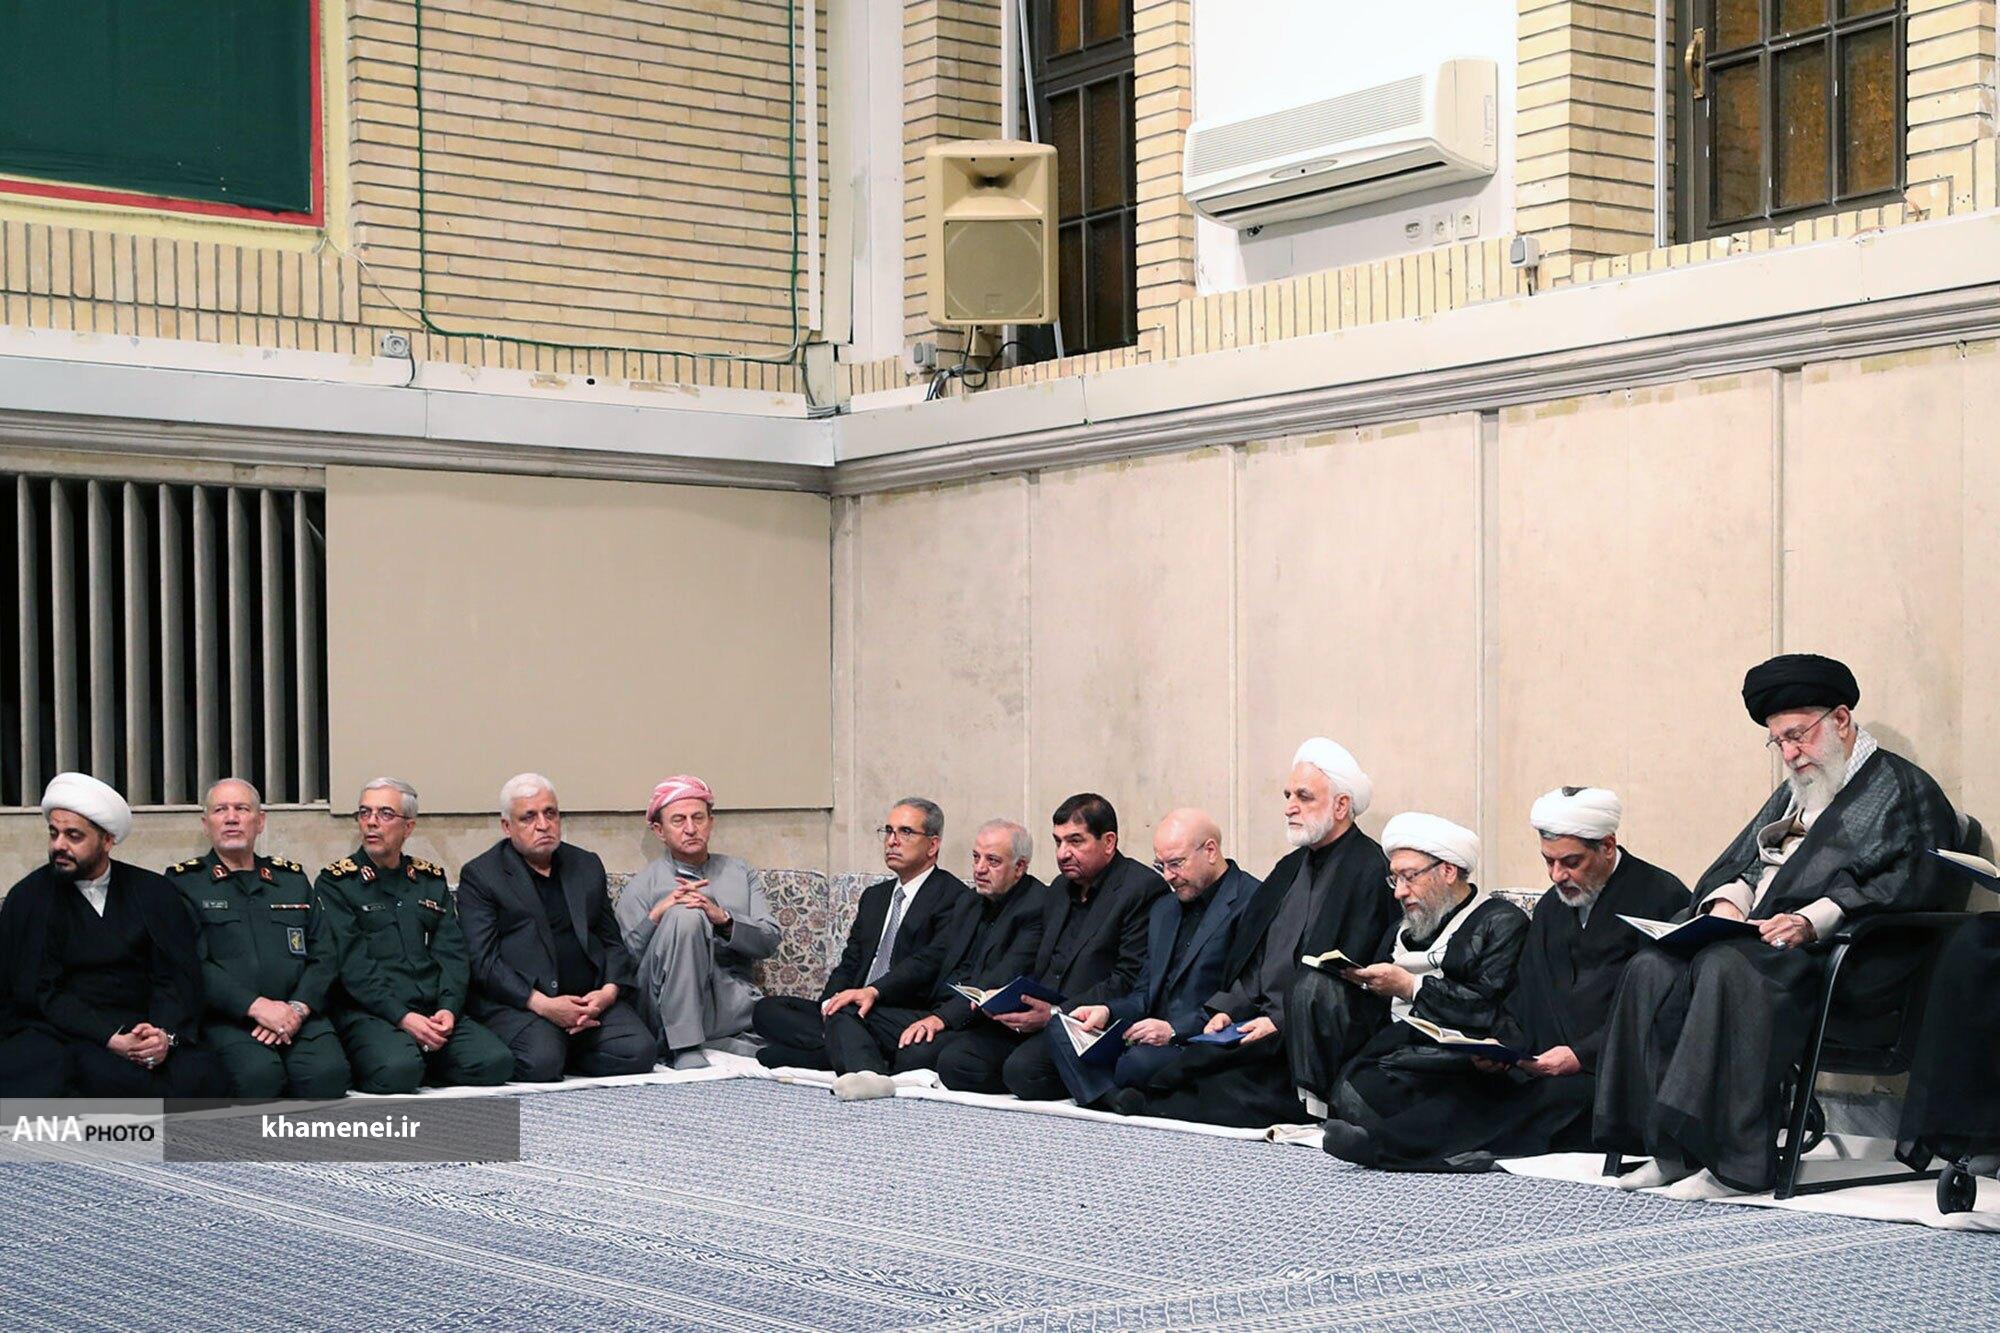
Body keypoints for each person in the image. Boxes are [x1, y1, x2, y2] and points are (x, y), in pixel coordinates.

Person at [1595, 653, 1960, 1198]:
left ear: (1840, 720)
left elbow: (1913, 883)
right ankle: (1670, 1150)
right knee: (1652, 966)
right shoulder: (1800, 789)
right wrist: (1728, 903)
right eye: (1779, 742)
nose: (1789, 754)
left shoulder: (1903, 790)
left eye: (1797, 736)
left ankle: (1734, 1163)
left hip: (1842, 961)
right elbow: (1749, 864)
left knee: (1726, 968)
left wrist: (1812, 919)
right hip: (1760, 943)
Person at [1318, 793, 1683, 1169]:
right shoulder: (1553, 906)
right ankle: (1389, 1139)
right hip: (1542, 1060)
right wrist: (1503, 1048)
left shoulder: (1661, 897)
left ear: (1607, 846)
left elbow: (1666, 1009)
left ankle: (1394, 1148)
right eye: (1549, 861)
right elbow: (1525, 995)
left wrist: (1582, 1055)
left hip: (1611, 1071)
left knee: (1551, 1101)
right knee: (1475, 1087)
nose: (1557, 875)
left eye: (1571, 862)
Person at [1112, 740, 1394, 1127]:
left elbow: (1348, 983)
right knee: (1185, 1065)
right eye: (1288, 795)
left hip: (1309, 1037)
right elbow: (1254, 960)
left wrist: (1281, 1022)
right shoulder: (1289, 868)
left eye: (1303, 797)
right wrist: (1228, 1009)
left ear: (1341, 806)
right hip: (1256, 1021)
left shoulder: (1369, 871)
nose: (1289, 806)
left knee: (1223, 1089)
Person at [0, 773, 228, 1096]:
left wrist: (162, 1035)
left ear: (107, 841)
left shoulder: (153, 892)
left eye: (73, 836)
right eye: (54, 833)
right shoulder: (30, 898)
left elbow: (175, 977)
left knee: (201, 1075)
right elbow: (37, 991)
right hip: (67, 1030)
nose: (59, 845)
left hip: (144, 1024)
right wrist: (110, 1037)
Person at [933, 793, 1164, 1097]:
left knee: (1023, 1070)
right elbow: (1037, 962)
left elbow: (1127, 979)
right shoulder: (1058, 889)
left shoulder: (1141, 889)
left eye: (1075, 841)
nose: (1063, 853)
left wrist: (1055, 1013)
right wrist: (1004, 997)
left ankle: (1099, 1083)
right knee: (955, 1061)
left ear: (1108, 842)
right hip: (1039, 1014)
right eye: (1058, 842)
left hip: (1087, 1023)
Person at [818, 819, 1048, 1099]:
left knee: (918, 1054)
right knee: (846, 1011)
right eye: (976, 857)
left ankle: (855, 1055)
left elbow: (998, 979)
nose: (979, 869)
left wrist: (941, 1019)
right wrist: (874, 991)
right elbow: (931, 957)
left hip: (981, 1023)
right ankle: (870, 1073)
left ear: (1020, 867)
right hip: (937, 1009)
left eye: (992, 861)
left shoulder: (1036, 906)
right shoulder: (970, 901)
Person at [317, 777, 513, 1094]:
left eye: (385, 814)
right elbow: (353, 967)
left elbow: (452, 953)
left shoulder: (428, 880)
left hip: (432, 1009)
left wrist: (448, 1008)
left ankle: (423, 1053)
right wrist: (403, 1017)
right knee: (398, 1071)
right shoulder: (337, 883)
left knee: (495, 1062)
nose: (371, 822)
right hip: (374, 1013)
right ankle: (410, 1057)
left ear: (408, 827)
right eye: (365, 813)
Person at [456, 774, 655, 1082]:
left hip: (588, 1000)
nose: (543, 825)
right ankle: (558, 1049)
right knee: (541, 1063)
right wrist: (543, 1004)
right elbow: (483, 962)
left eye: (550, 813)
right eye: (529, 817)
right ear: (507, 827)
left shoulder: (586, 865)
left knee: (640, 1052)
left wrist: (607, 993)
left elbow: (611, 941)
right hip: (524, 1004)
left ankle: (567, 1047)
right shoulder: (482, 875)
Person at [751, 798, 972, 1071]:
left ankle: (836, 1048)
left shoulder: (954, 897)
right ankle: (848, 1046)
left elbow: (927, 965)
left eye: (905, 832)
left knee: (776, 1054)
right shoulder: (875, 897)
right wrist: (829, 1004)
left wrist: (872, 993)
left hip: (898, 1012)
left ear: (932, 845)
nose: (892, 841)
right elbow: (851, 961)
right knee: (766, 1011)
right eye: (888, 831)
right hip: (853, 1008)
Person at [1054, 809, 1256, 1105]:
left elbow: (1245, 995)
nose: (1168, 876)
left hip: (1200, 1037)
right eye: (1160, 865)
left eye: (1176, 863)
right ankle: (1115, 1098)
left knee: (1135, 1064)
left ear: (1211, 851)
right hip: (1147, 1033)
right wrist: (1108, 1011)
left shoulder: (1251, 900)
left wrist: (1173, 1030)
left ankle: (1106, 1091)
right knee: (1061, 1027)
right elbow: (1144, 993)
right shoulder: (1165, 908)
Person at [167, 777, 351, 1099]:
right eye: (220, 810)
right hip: (228, 1018)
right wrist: (256, 1007)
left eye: (242, 809)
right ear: (206, 824)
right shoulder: (184, 884)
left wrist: (296, 1009)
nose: (232, 818)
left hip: (299, 1015)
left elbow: (324, 955)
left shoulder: (292, 880)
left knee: (328, 1078)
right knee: (258, 1080)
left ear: (260, 821)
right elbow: (191, 964)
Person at [614, 775, 780, 1068]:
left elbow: (769, 941)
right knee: (685, 915)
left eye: (698, 818)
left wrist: (723, 920)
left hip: (729, 1001)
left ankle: (706, 1041)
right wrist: (657, 916)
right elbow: (621, 966)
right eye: (678, 820)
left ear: (711, 822)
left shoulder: (740, 872)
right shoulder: (643, 886)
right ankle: (686, 1045)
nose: (690, 829)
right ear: (659, 830)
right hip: (662, 1003)